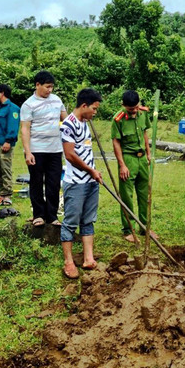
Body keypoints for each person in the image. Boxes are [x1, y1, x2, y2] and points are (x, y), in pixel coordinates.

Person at [60, 88, 103, 279]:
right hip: (76, 182)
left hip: (90, 180)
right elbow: (70, 155)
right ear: (84, 105)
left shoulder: (85, 122)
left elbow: (85, 151)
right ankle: (69, 262)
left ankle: (88, 258)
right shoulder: (68, 125)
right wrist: (91, 170)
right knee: (71, 222)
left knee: (88, 219)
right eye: (93, 108)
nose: (95, 112)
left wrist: (94, 172)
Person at [20, 71, 67, 227]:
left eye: (52, 87)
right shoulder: (28, 104)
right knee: (37, 182)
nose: (50, 90)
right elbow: (25, 129)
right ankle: (38, 214)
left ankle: (52, 215)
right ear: (37, 85)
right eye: (47, 87)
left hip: (55, 149)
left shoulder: (57, 100)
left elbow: (66, 120)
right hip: (36, 150)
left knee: (54, 182)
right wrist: (28, 151)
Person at [111, 90, 153, 242]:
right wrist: (122, 165)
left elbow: (145, 134)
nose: (134, 111)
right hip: (128, 158)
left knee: (144, 194)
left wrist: (149, 153)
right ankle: (129, 229)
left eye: (136, 107)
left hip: (142, 159)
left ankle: (144, 227)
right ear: (123, 106)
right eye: (131, 109)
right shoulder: (118, 118)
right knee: (127, 195)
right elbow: (116, 142)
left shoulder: (143, 113)